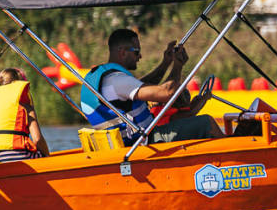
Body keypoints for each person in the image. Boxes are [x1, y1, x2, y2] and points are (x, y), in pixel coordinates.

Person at [81, 28, 218, 144]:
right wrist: (178, 65)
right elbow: (167, 93)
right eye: (136, 51)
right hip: (144, 142)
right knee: (207, 122)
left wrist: (166, 62)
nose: (140, 56)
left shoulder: (106, 78)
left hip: (135, 140)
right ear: (122, 52)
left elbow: (143, 86)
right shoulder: (117, 81)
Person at [0, 67, 50, 164]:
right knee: (43, 155)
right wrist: (47, 156)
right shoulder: (25, 106)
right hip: (21, 158)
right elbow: (38, 139)